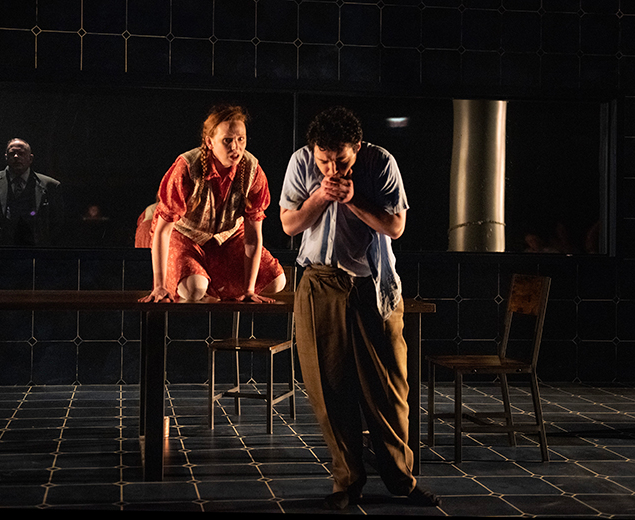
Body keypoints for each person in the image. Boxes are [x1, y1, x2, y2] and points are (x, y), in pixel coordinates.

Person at [279, 106, 439, 510]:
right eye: (324, 160)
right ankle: (346, 482)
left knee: (388, 389)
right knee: (328, 388)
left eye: (341, 160)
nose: (332, 167)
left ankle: (401, 481)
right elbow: (290, 224)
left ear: (358, 148)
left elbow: (395, 227)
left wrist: (353, 199)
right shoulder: (301, 162)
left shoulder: (380, 162)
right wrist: (319, 196)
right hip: (319, 281)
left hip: (372, 286)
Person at [142, 105, 285, 303]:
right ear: (210, 142)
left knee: (277, 282)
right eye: (227, 140)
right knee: (193, 290)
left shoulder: (253, 170)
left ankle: (214, 286)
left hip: (228, 237)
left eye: (240, 139)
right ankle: (199, 283)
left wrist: (249, 290)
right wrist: (159, 286)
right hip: (185, 234)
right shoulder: (187, 167)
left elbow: (252, 237)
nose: (235, 147)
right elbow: (163, 230)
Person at [0, 138, 64, 246]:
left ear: (30, 158)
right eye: (12, 154)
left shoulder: (50, 185)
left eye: (21, 153)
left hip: (36, 250)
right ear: (6, 157)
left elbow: (58, 222)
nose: (16, 157)